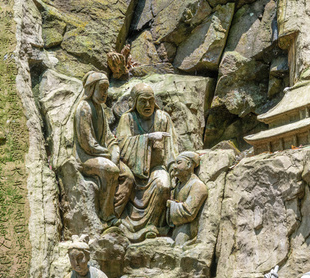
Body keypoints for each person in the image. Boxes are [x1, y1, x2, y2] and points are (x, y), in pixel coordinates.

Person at [115, 83, 179, 241]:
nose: (148, 105)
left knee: (163, 184)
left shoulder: (163, 118)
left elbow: (171, 149)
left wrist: (174, 169)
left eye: (151, 100)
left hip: (157, 168)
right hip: (133, 170)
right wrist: (148, 139)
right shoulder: (127, 118)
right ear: (135, 102)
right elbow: (122, 146)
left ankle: (155, 226)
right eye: (143, 101)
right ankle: (127, 225)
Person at [73, 71, 130, 224]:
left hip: (101, 154)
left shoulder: (100, 109)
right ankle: (106, 216)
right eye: (102, 89)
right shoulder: (84, 108)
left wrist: (115, 150)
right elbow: (88, 143)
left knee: (129, 177)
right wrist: (107, 154)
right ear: (91, 88)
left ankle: (114, 212)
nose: (105, 93)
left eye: (106, 89)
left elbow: (109, 138)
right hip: (86, 158)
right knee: (111, 170)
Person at [166, 151, 208, 245]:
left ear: (189, 164)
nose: (174, 167)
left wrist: (171, 204)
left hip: (187, 231)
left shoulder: (197, 186)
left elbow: (189, 213)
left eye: (178, 163)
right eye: (174, 163)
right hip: (176, 228)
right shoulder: (178, 186)